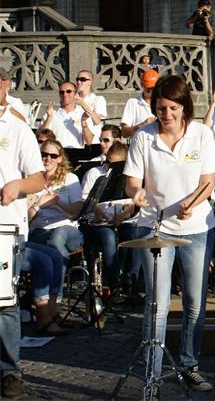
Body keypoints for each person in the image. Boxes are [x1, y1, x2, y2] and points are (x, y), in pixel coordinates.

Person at [124, 75, 215, 393]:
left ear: (184, 107)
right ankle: (151, 375)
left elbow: (208, 182)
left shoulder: (202, 134)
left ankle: (190, 364)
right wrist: (136, 193)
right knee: (157, 304)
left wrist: (192, 203)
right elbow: (132, 180)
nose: (167, 115)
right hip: (155, 226)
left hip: (197, 227)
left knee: (195, 302)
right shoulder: (143, 137)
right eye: (161, 108)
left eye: (173, 108)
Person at [0, 73, 46, 398]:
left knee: (4, 301)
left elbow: (39, 179)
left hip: (6, 226)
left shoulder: (17, 129)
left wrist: (17, 185)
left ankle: (9, 371)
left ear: (4, 85)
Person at [79, 142, 133, 291]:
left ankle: (130, 278)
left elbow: (131, 204)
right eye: (108, 162)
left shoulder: (128, 176)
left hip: (119, 221)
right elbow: (84, 199)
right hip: (95, 223)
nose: (110, 167)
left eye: (115, 165)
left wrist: (122, 215)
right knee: (108, 237)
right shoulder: (94, 173)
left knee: (136, 235)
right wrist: (97, 210)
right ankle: (113, 283)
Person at [27, 140, 84, 279]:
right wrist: (38, 205)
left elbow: (76, 212)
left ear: (59, 159)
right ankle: (55, 290)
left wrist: (57, 202)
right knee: (56, 245)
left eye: (53, 156)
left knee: (59, 234)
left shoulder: (70, 179)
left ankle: (52, 289)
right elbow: (26, 218)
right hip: (40, 230)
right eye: (44, 154)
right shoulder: (30, 181)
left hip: (68, 230)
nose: (48, 159)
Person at [38, 81, 93, 148]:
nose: (65, 94)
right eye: (62, 92)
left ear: (76, 94)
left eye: (68, 91)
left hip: (77, 152)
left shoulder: (83, 113)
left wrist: (83, 123)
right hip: (57, 153)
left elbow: (89, 141)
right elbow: (41, 137)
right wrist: (49, 117)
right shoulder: (51, 113)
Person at [121, 70, 158, 138]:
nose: (151, 90)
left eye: (153, 88)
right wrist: (142, 125)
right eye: (148, 87)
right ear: (142, 85)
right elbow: (124, 132)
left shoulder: (163, 103)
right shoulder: (133, 102)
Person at [74, 70, 107, 144]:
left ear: (90, 82)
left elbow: (97, 120)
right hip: (75, 142)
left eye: (82, 79)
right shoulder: (73, 99)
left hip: (92, 143)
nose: (79, 82)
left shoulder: (98, 99)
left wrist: (82, 103)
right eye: (77, 79)